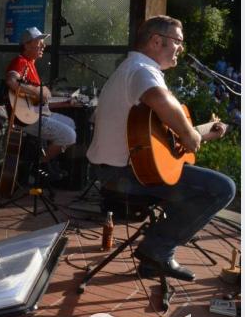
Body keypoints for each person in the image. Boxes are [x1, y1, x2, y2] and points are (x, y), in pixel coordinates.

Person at [86, 15, 235, 282]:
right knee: (222, 188)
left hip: (119, 170)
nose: (181, 48)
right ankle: (158, 248)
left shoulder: (132, 68)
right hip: (125, 176)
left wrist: (197, 133)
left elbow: (155, 136)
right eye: (178, 41)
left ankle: (155, 257)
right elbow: (161, 99)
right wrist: (189, 133)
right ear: (156, 41)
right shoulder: (142, 69)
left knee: (194, 178)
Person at [4, 27, 77, 181]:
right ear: (27, 45)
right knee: (69, 135)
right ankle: (39, 165)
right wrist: (37, 91)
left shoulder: (31, 64)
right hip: (26, 119)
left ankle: (47, 162)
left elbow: (40, 103)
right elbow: (11, 80)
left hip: (36, 113)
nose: (44, 46)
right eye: (39, 43)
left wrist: (66, 102)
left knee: (70, 123)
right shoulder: (20, 61)